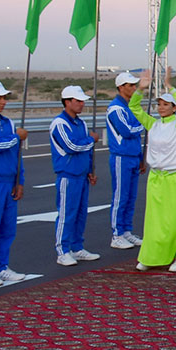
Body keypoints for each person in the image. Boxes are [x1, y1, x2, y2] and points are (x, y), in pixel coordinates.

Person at [129, 69, 176, 273]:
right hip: (156, 177)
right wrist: (140, 89)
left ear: (173, 108)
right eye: (159, 104)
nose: (161, 108)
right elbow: (134, 107)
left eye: (166, 104)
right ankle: (150, 256)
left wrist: (170, 86)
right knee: (154, 221)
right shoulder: (153, 124)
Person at [51, 85, 101, 266]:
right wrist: (91, 139)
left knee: (81, 213)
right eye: (78, 101)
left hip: (81, 175)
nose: (81, 104)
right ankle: (62, 250)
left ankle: (77, 247)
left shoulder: (81, 123)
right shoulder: (60, 123)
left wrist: (90, 170)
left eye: (82, 101)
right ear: (67, 102)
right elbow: (71, 146)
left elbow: (86, 152)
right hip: (67, 175)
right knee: (67, 214)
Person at [0, 81, 27, 285]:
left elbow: (17, 154)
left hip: (8, 181)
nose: (3, 102)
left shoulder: (8, 123)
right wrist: (16, 137)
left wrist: (19, 180)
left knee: (7, 228)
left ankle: (1, 266)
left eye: (4, 98)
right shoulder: (13, 131)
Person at [106, 72, 144, 250]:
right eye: (130, 85)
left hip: (133, 156)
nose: (134, 88)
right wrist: (142, 125)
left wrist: (141, 157)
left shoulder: (131, 106)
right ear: (121, 87)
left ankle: (127, 230)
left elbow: (135, 131)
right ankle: (117, 234)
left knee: (131, 196)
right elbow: (128, 130)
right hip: (121, 156)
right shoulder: (116, 108)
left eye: (135, 85)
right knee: (120, 196)